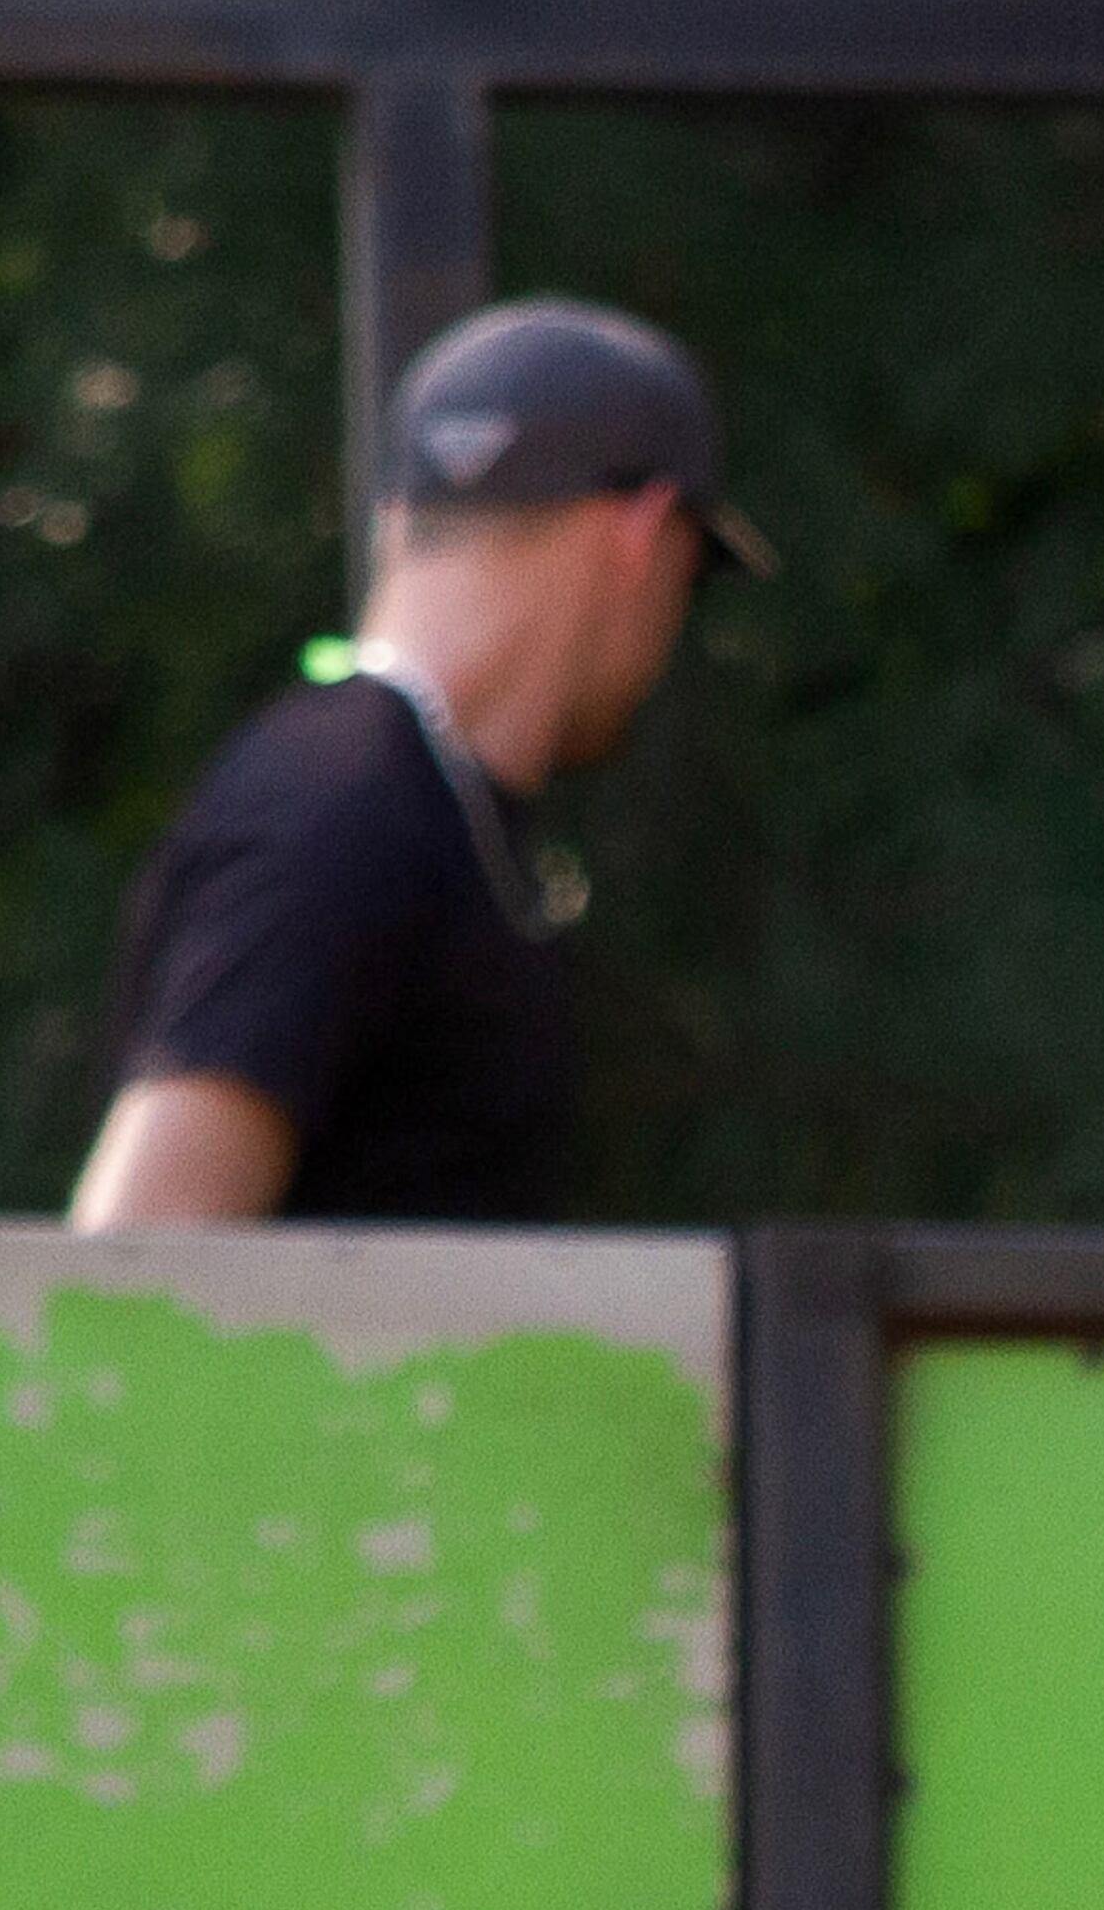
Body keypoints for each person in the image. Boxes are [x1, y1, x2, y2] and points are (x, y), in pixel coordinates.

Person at [67, 298, 770, 1231]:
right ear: (641, 533)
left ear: (400, 520)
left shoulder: (418, 802)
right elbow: (136, 1257)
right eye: (693, 571)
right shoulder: (340, 806)